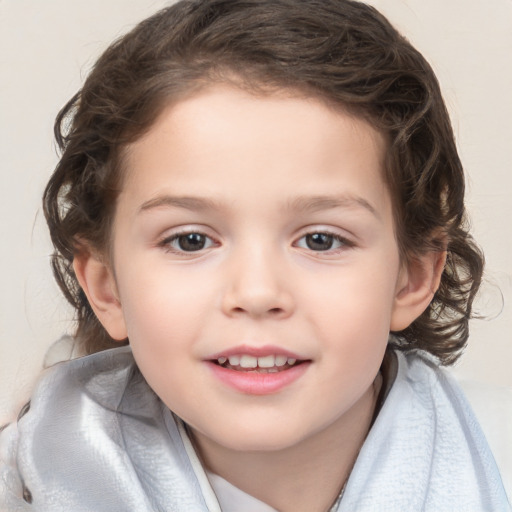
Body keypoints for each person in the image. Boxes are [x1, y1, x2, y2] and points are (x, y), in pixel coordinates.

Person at [0, 0, 509, 510]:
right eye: (190, 240)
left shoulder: (494, 460)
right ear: (106, 286)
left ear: (412, 276)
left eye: (321, 239)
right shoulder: (31, 479)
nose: (258, 293)